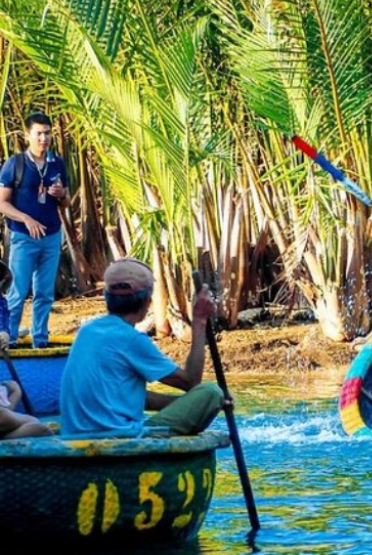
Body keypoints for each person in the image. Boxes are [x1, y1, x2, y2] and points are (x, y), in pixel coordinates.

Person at [60, 258, 225, 437]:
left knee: (204, 397)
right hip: (118, 438)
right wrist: (199, 322)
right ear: (147, 301)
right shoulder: (131, 339)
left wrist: (184, 404)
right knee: (211, 393)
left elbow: (130, 396)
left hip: (75, 434)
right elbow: (191, 382)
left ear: (107, 298)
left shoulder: (87, 331)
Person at [0, 112, 70, 348]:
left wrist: (62, 195)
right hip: (23, 237)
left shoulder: (56, 163)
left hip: (51, 236)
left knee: (45, 293)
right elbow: (2, 202)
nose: (44, 138)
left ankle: (40, 340)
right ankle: (7, 340)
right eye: (39, 133)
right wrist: (26, 219)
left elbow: (66, 201)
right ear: (27, 135)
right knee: (17, 293)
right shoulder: (16, 164)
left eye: (47, 133)